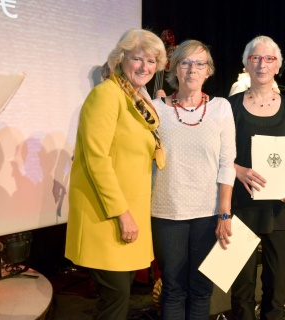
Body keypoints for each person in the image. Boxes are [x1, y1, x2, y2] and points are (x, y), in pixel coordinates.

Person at [65, 28, 167, 320]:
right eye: (138, 59)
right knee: (116, 299)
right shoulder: (106, 95)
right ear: (121, 59)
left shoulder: (137, 100)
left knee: (118, 299)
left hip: (128, 212)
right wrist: (122, 213)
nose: (145, 67)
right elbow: (97, 160)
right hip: (107, 216)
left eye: (151, 62)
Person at [150, 39, 236, 320]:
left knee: (201, 289)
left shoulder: (221, 108)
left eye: (199, 63)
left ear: (208, 71)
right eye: (185, 62)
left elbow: (227, 164)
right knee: (173, 289)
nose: (192, 69)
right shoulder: (155, 109)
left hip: (208, 214)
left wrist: (224, 212)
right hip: (166, 212)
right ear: (174, 69)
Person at [227, 35, 285, 320]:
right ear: (246, 64)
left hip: (281, 209)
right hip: (239, 206)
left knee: (277, 286)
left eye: (269, 58)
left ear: (278, 66)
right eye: (255, 58)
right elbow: (214, 153)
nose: (261, 64)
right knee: (241, 286)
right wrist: (237, 170)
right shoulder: (229, 106)